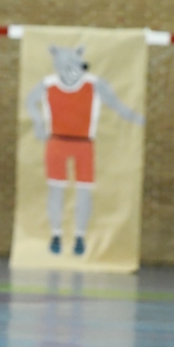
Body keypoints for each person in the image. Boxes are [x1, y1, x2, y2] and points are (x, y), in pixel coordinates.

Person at [25, 44, 144, 256]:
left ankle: (80, 235)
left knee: (84, 190)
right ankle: (56, 233)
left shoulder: (94, 84)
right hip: (57, 142)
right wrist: (38, 123)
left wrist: (136, 118)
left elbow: (116, 105)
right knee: (56, 189)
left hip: (84, 143)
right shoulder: (48, 84)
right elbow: (30, 101)